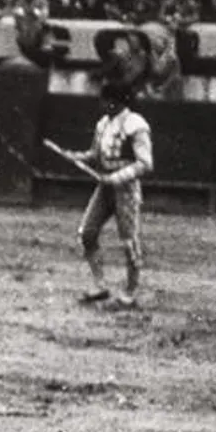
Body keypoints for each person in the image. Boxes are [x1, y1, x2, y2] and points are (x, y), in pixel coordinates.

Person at [69, 80, 155, 310]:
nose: (102, 104)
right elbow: (95, 153)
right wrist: (77, 156)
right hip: (104, 187)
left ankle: (131, 291)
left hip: (126, 190)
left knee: (129, 241)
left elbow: (145, 163)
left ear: (116, 102)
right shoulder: (103, 124)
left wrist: (115, 178)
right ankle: (100, 285)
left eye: (105, 100)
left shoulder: (136, 124)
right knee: (87, 233)